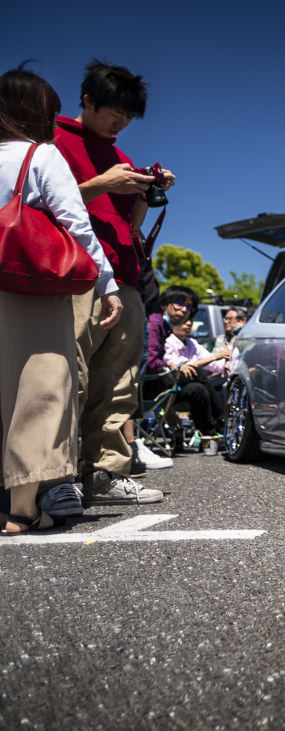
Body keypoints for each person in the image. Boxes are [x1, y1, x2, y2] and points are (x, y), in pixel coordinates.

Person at [0, 64, 121, 532]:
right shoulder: (41, 155)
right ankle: (22, 508)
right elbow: (77, 225)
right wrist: (107, 285)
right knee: (41, 388)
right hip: (30, 285)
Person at [54, 60, 173, 506]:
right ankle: (56, 476)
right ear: (88, 100)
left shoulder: (119, 157)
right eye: (114, 113)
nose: (120, 123)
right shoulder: (54, 141)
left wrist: (144, 193)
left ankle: (104, 473)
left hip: (124, 274)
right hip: (77, 272)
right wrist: (104, 183)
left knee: (119, 380)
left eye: (128, 116)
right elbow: (41, 205)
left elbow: (131, 226)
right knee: (71, 374)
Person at [163, 316, 232, 437]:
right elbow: (180, 367)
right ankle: (221, 415)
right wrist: (215, 356)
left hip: (186, 389)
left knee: (199, 389)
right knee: (196, 372)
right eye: (184, 321)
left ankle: (209, 433)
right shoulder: (167, 342)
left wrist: (228, 363)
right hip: (169, 387)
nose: (189, 323)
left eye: (190, 320)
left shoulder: (192, 343)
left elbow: (215, 364)